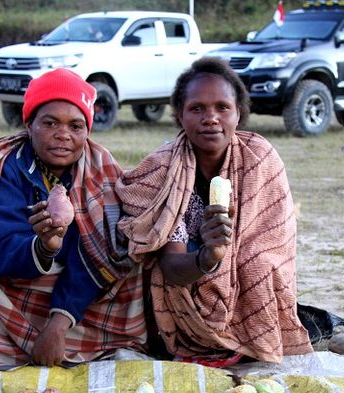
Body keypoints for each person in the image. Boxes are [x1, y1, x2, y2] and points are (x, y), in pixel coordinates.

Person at [0, 68, 145, 374]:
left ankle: (86, 340)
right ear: (29, 125)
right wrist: (44, 246)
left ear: (88, 132)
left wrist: (58, 323)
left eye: (76, 126)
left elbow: (104, 255)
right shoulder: (11, 167)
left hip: (78, 297)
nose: (63, 135)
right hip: (14, 283)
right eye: (50, 123)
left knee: (136, 243)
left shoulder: (100, 172)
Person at [116, 57, 312, 366]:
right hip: (185, 275)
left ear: (239, 114)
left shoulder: (259, 159)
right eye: (197, 108)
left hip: (245, 281)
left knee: (258, 263)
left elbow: (273, 244)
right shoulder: (163, 170)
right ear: (180, 115)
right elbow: (169, 266)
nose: (211, 118)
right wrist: (207, 257)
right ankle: (187, 340)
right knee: (150, 269)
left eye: (222, 107)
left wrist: (230, 256)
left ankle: (242, 340)